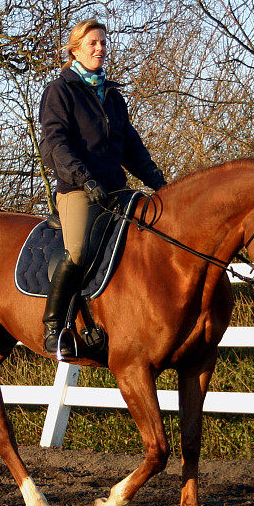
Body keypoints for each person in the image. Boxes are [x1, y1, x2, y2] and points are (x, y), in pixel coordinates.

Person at [38, 19, 166, 356]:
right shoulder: (60, 91)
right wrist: (84, 179)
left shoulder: (112, 96)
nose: (100, 49)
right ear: (75, 48)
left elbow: (132, 149)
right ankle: (54, 325)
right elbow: (55, 145)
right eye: (93, 43)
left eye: (103, 43)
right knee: (79, 251)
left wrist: (160, 182)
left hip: (116, 189)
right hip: (79, 189)